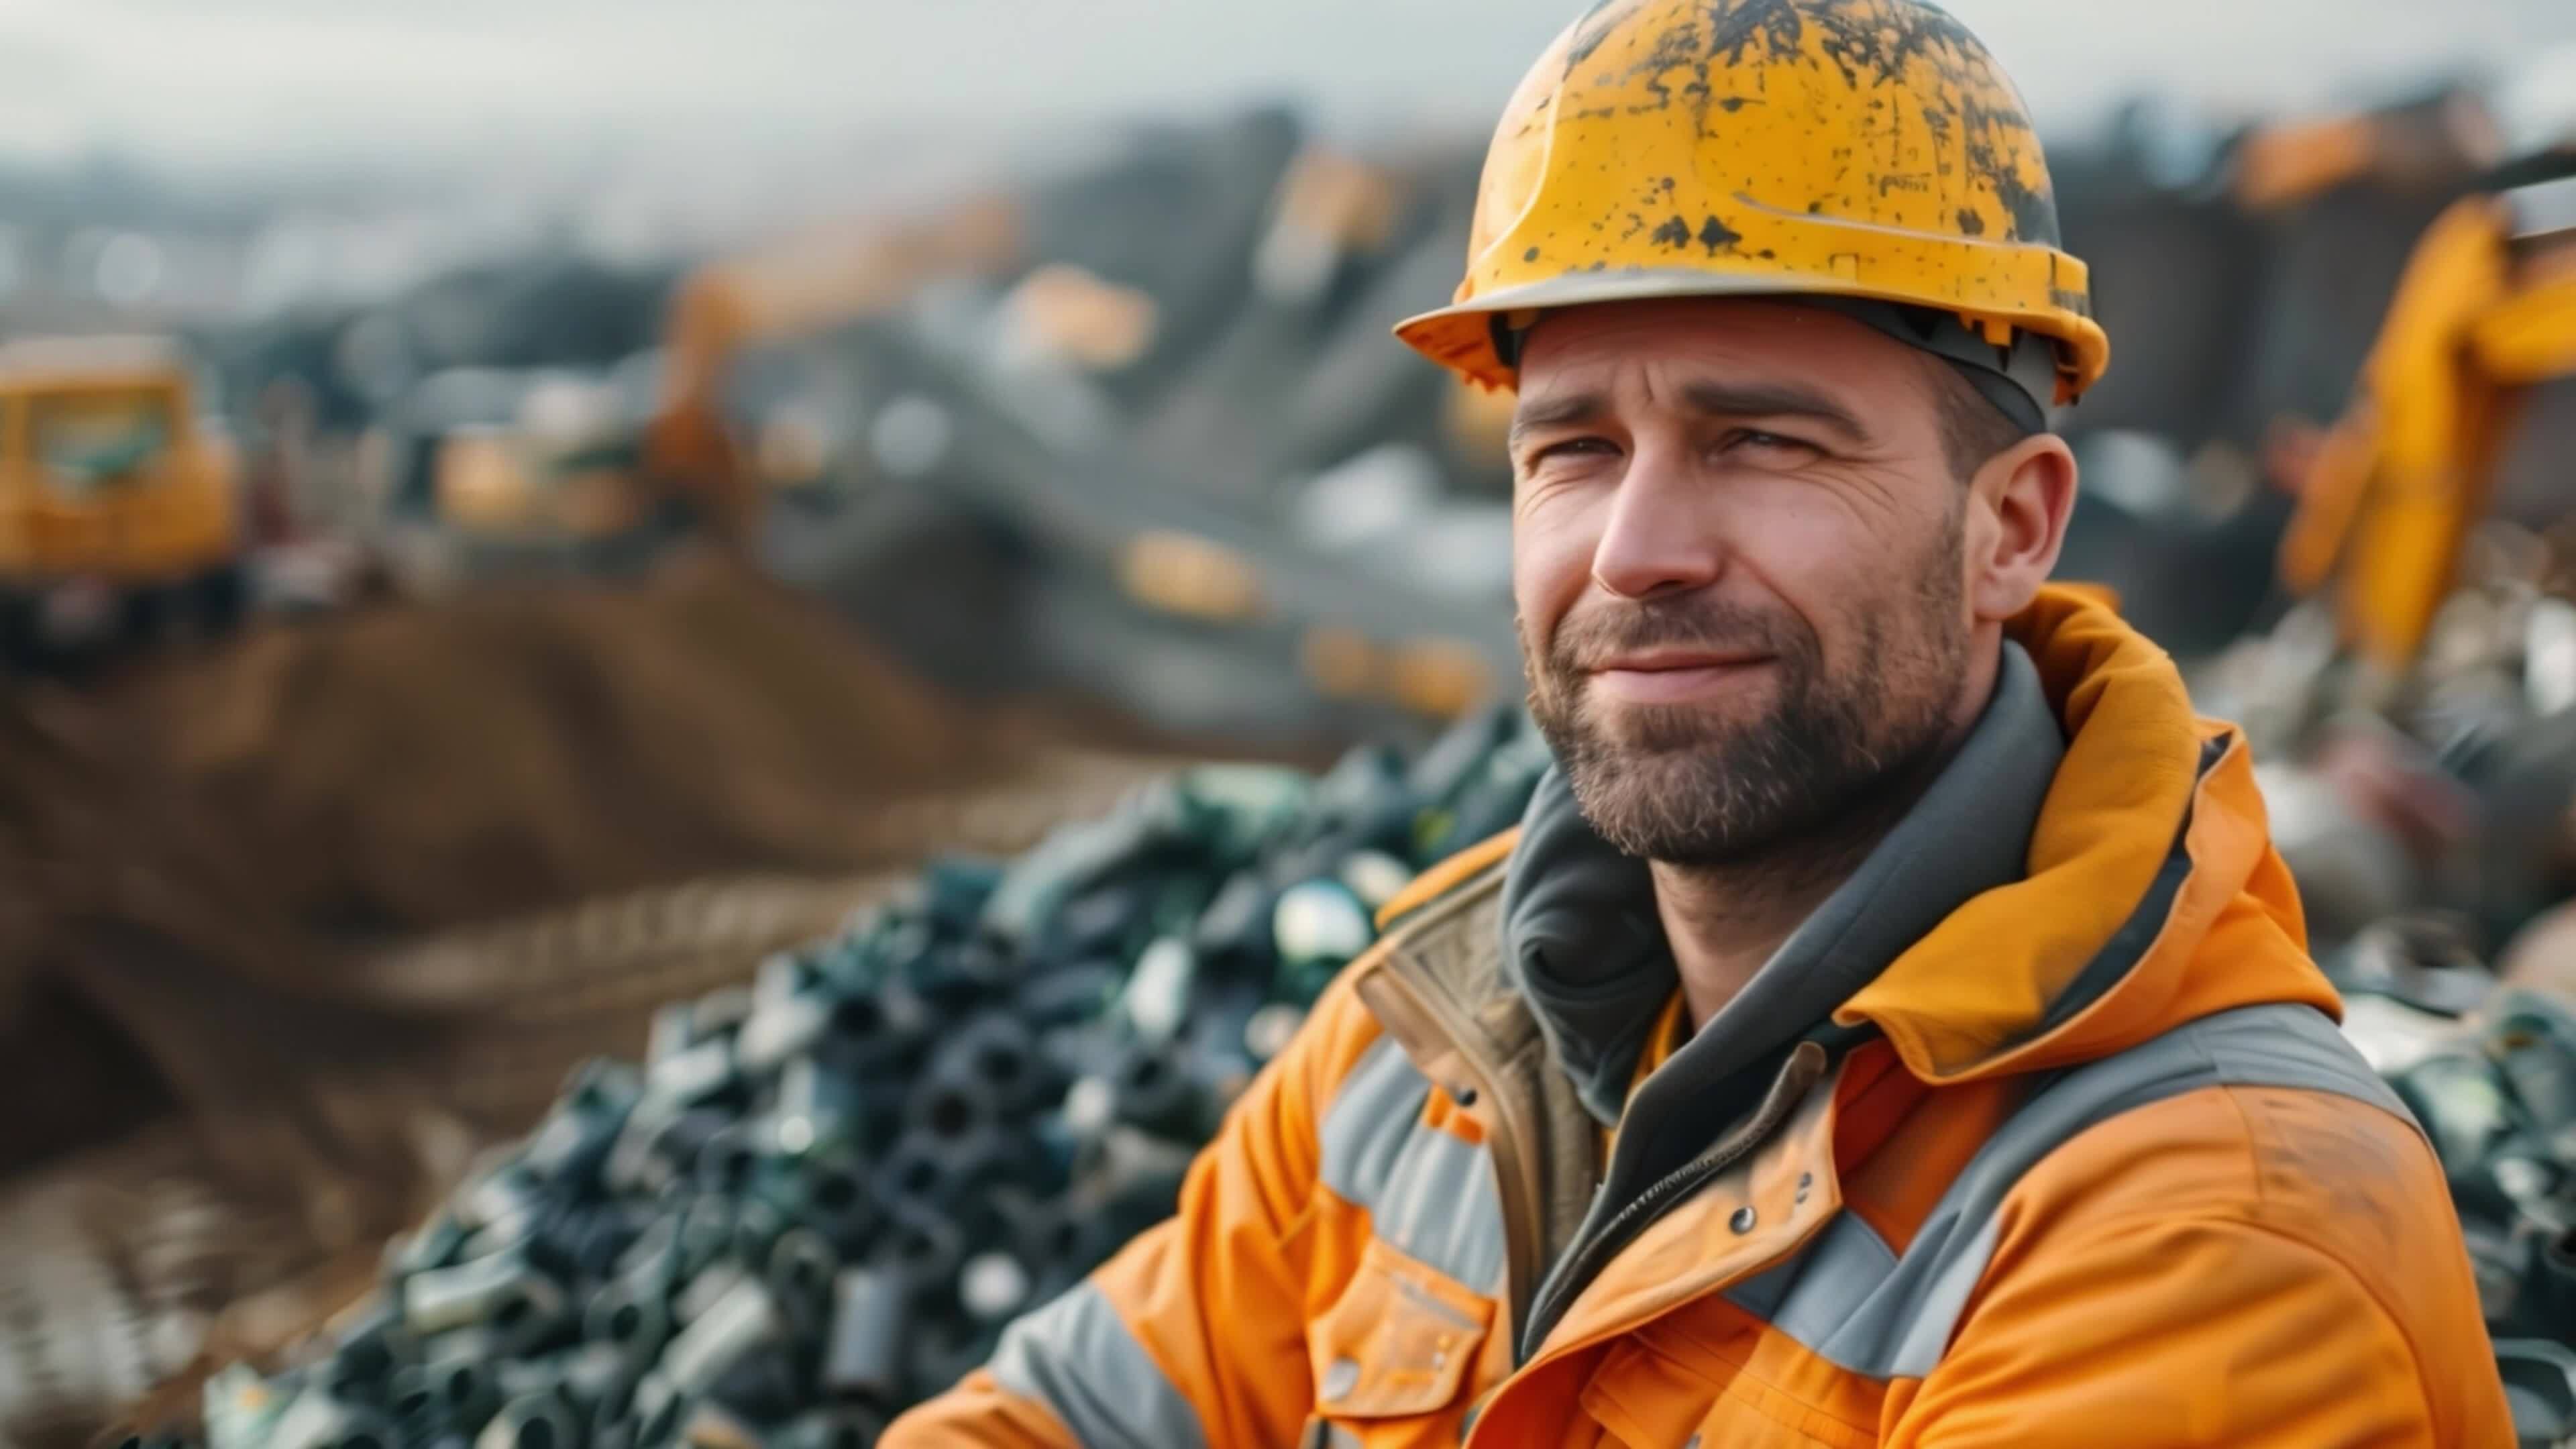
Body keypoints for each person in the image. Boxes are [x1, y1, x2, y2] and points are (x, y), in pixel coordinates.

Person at [887, 1, 2513, 1442]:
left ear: (2012, 528)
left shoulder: (2211, 1230)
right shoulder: (1426, 1053)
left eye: (1764, 442)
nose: (1637, 550)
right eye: (1572, 450)